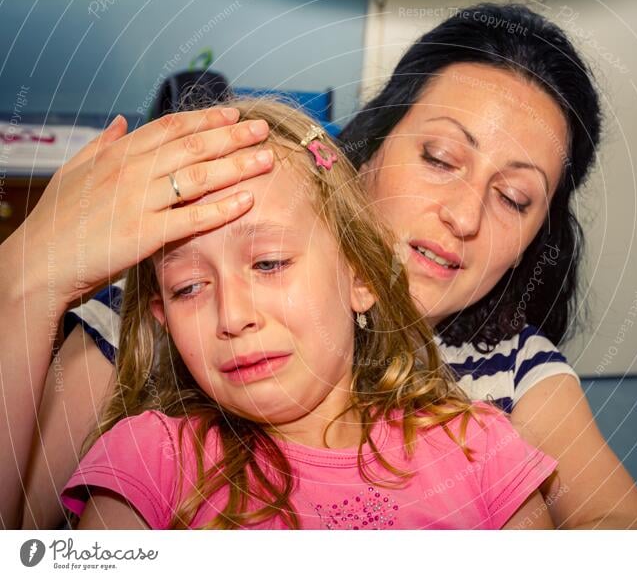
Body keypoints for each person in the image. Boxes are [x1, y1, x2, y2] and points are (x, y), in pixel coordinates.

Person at [1, 4, 637, 529]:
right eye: (439, 157)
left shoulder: (511, 370)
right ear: (371, 147)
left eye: (515, 197)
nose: (465, 215)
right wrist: (24, 284)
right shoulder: (156, 322)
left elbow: (620, 526)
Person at [61, 98, 556, 530]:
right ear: (162, 317)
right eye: (189, 288)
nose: (232, 316)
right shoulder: (148, 462)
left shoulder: (480, 449)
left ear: (360, 276)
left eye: (269, 263)